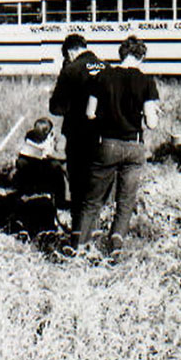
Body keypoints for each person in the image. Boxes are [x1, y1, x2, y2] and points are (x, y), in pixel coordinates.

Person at [76, 36, 159, 253]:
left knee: (93, 200)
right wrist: (152, 112)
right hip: (134, 146)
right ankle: (116, 245)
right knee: (125, 200)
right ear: (141, 57)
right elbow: (151, 124)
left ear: (121, 54)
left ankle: (80, 245)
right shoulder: (147, 82)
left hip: (107, 144)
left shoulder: (102, 77)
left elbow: (89, 113)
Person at [49, 33, 105, 232]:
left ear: (70, 51)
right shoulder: (105, 67)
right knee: (97, 183)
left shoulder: (71, 70)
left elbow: (56, 108)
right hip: (104, 135)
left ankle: (78, 231)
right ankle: (96, 227)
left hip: (78, 135)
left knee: (78, 186)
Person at [13, 117, 68, 221]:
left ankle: (60, 203)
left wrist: (51, 154)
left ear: (49, 133)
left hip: (49, 163)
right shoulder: (30, 135)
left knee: (56, 166)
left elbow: (64, 155)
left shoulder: (59, 138)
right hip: (35, 162)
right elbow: (24, 148)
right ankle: (24, 192)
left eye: (41, 138)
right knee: (21, 163)